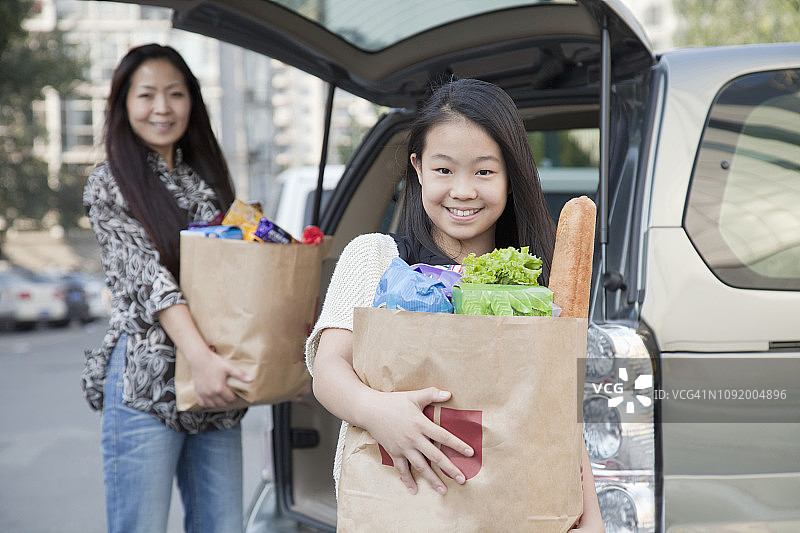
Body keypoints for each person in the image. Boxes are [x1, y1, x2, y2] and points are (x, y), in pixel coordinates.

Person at [306, 78, 604, 531]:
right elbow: (328, 369)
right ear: (419, 169)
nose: (463, 191)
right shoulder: (375, 256)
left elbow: (558, 408)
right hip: (399, 503)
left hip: (506, 509)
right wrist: (378, 412)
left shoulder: (533, 286)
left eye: (484, 171)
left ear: (511, 176)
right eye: (444, 170)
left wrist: (590, 511)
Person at [82, 43, 251, 533]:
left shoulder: (208, 182)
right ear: (123, 104)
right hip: (147, 378)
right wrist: (198, 357)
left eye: (175, 94)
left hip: (215, 379)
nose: (162, 108)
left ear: (192, 102)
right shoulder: (109, 182)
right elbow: (148, 279)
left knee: (224, 526)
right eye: (147, 95)